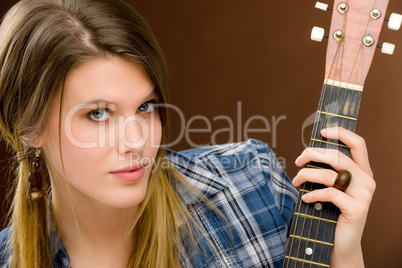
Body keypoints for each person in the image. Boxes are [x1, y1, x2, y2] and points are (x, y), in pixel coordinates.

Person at [0, 0, 375, 267]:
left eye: (146, 107)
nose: (136, 142)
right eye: (98, 114)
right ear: (29, 125)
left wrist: (344, 256)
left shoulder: (249, 183)